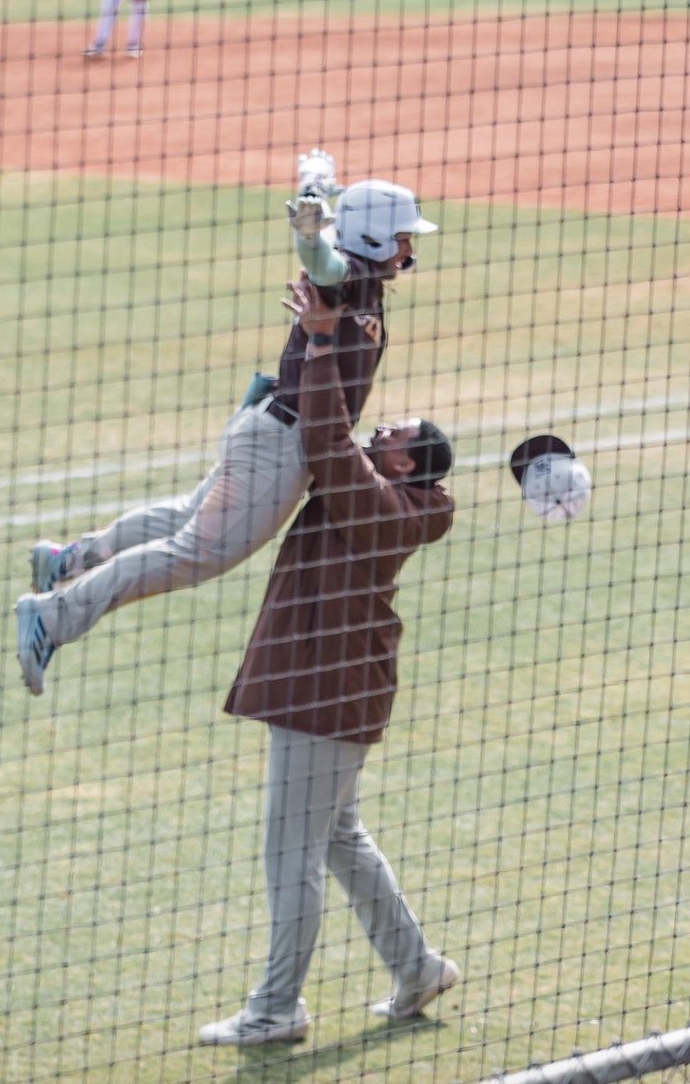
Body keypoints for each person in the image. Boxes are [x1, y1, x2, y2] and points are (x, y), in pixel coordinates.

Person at [15, 154, 439, 696]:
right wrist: (309, 234)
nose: (410, 249)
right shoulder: (349, 278)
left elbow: (327, 246)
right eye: (403, 238)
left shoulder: (364, 279)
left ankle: (66, 560)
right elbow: (324, 261)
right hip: (279, 443)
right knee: (198, 552)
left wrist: (314, 190)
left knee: (185, 519)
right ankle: (53, 615)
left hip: (268, 429)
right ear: (377, 239)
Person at [199, 278, 459, 1046]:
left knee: (294, 850)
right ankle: (417, 966)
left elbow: (327, 440)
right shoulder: (394, 495)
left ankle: (276, 1009)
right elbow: (337, 437)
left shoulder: (377, 504)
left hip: (327, 692)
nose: (379, 430)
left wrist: (319, 343)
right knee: (338, 834)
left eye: (394, 433)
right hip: (339, 688)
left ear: (406, 466)